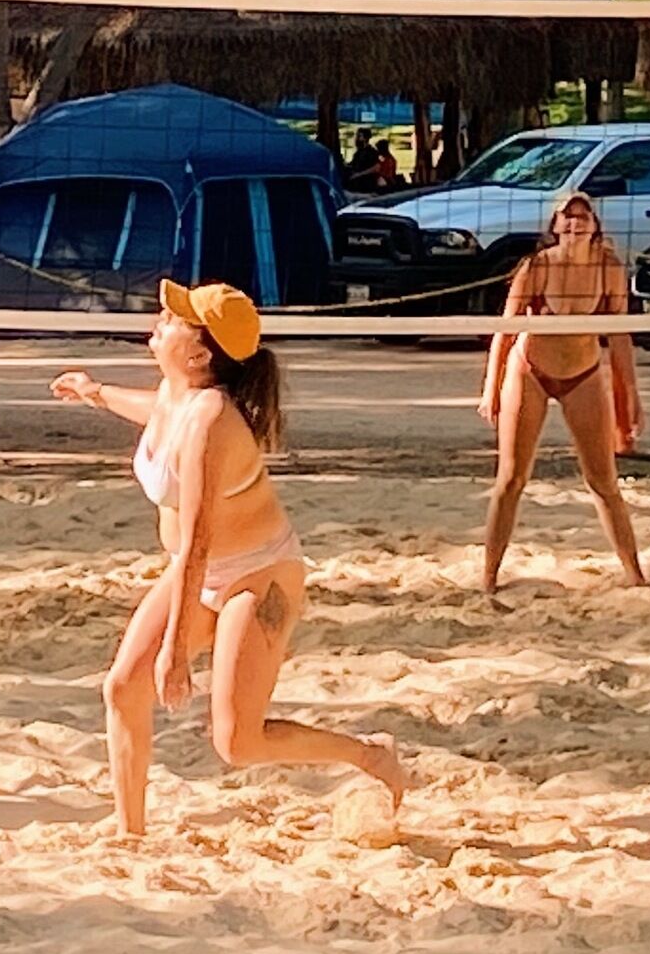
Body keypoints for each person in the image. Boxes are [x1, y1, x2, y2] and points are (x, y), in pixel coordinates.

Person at [53, 280, 403, 841]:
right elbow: (152, 412)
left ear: (200, 353)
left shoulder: (212, 420)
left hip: (257, 572)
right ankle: (131, 833)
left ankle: (369, 755)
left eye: (174, 318)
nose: (160, 318)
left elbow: (198, 540)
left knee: (238, 743)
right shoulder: (177, 391)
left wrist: (175, 652)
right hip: (200, 567)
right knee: (123, 687)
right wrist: (94, 391)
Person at [474, 190, 649, 598]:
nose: (574, 223)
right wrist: (491, 388)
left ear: (594, 226)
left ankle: (635, 575)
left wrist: (631, 397)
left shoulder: (608, 267)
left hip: (583, 373)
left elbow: (619, 336)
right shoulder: (536, 266)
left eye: (582, 216)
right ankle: (489, 578)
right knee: (511, 479)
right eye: (566, 217)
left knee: (603, 480)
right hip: (530, 370)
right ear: (554, 226)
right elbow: (507, 328)